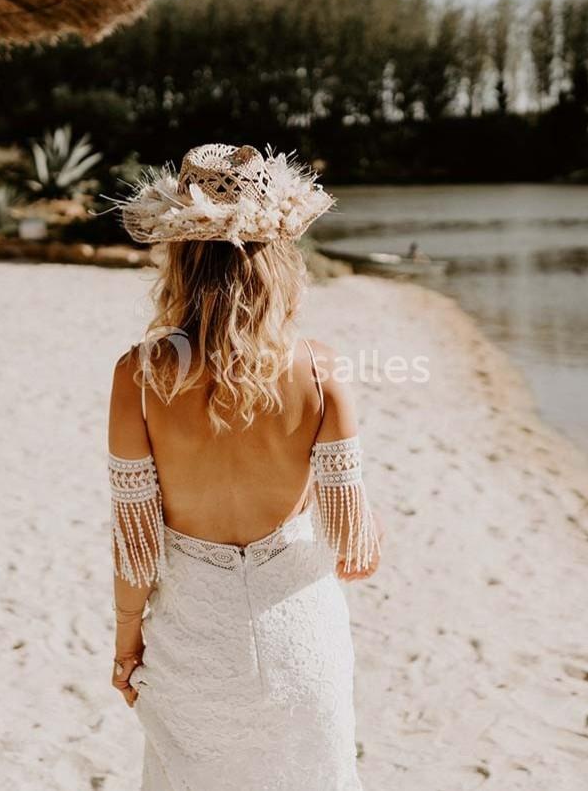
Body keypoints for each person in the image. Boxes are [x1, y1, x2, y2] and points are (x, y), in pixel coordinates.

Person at [106, 144, 383, 790]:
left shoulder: (139, 375)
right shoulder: (321, 370)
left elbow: (135, 539)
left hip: (191, 637)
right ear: (279, 261)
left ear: (179, 258)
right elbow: (352, 546)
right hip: (300, 639)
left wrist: (127, 642)